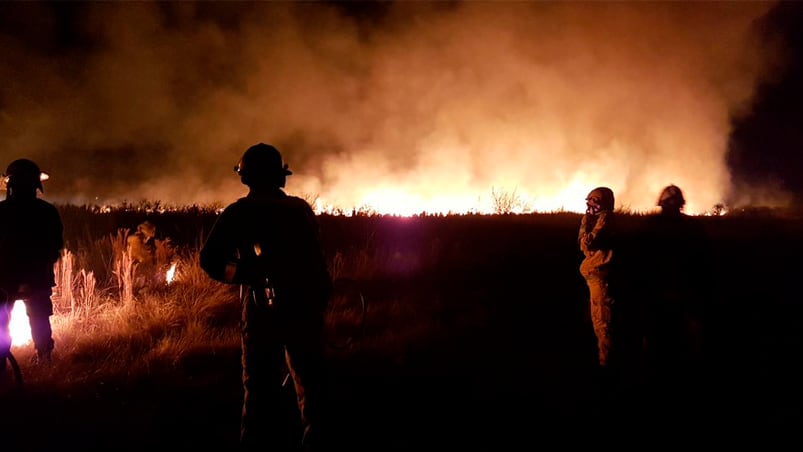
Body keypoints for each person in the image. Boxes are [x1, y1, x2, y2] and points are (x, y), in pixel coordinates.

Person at [199, 143, 333, 451]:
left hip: (262, 310)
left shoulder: (239, 213)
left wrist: (244, 274)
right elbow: (317, 260)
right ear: (281, 177)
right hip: (304, 308)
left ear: (245, 178)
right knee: (313, 387)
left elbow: (210, 260)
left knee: (259, 389)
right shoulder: (300, 210)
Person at [641, 185, 709, 389]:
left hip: (676, 292)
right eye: (669, 201)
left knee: (673, 339)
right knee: (665, 339)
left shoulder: (656, 226)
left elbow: (701, 261)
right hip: (667, 293)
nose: (671, 205)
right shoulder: (689, 227)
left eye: (672, 201)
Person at [0, 158, 65, 370]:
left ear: (10, 184)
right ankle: (44, 360)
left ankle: (1, 365)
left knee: (2, 323)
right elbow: (54, 248)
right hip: (37, 277)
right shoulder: (47, 212)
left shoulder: (1, 211)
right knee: (39, 320)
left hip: (5, 279)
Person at [578, 186, 618, 373]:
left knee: (603, 325)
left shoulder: (606, 221)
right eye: (589, 201)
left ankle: (606, 369)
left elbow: (590, 242)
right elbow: (584, 247)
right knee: (596, 322)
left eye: (594, 201)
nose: (590, 205)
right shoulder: (597, 220)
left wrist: (586, 223)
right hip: (594, 279)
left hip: (601, 280)